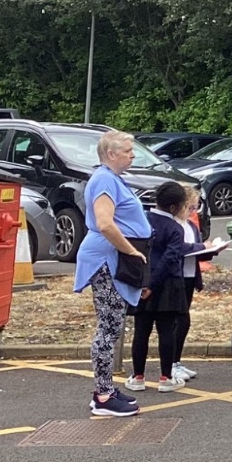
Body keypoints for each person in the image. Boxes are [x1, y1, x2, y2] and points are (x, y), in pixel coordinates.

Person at [72, 130, 151, 418]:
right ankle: (103, 396)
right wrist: (131, 250)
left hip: (113, 257)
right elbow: (105, 223)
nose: (133, 155)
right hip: (108, 258)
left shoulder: (112, 178)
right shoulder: (104, 179)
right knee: (108, 327)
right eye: (128, 151)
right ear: (111, 154)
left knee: (113, 325)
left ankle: (106, 389)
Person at [128, 182, 193, 394]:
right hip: (168, 284)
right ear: (174, 207)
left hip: (142, 281)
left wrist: (145, 284)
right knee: (166, 331)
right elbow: (170, 258)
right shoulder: (175, 228)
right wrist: (154, 285)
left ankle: (138, 376)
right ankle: (166, 377)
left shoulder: (142, 221)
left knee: (141, 331)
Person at [168, 184, 204, 385]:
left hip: (189, 275)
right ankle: (171, 363)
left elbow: (196, 250)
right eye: (190, 207)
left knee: (183, 319)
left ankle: (176, 361)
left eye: (195, 208)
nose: (193, 212)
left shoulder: (191, 226)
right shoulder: (173, 225)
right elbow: (180, 248)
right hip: (176, 277)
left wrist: (210, 249)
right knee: (179, 320)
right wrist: (201, 246)